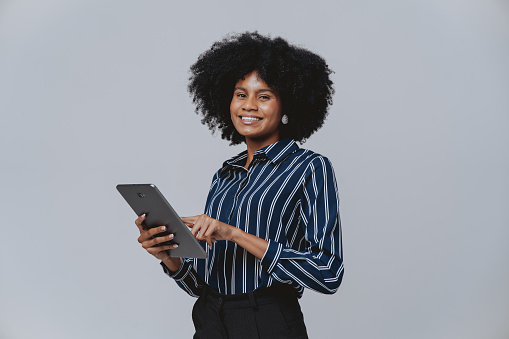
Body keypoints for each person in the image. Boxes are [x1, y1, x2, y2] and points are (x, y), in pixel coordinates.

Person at [135, 32, 344, 339]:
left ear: (288, 105)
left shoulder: (310, 168)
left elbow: (328, 273)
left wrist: (232, 233)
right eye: (240, 94)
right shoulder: (225, 175)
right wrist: (169, 256)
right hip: (210, 318)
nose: (249, 106)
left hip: (267, 319)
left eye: (264, 96)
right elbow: (199, 284)